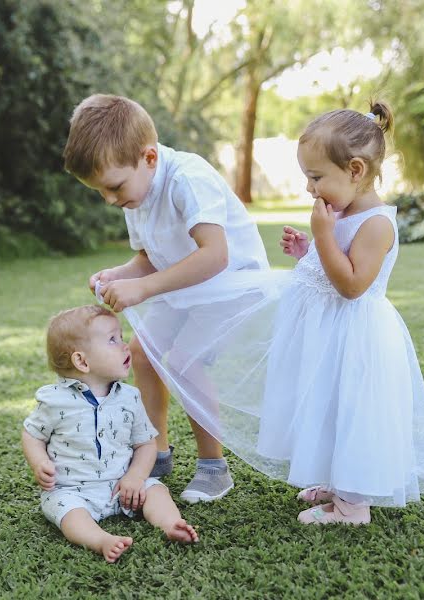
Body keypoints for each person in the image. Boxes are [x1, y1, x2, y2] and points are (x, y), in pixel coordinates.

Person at [123, 101, 424, 526]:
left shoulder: (377, 224)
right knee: (325, 408)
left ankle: (352, 507)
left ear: (355, 170)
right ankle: (336, 483)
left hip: (354, 338)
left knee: (349, 412)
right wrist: (309, 251)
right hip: (326, 334)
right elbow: (330, 270)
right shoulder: (343, 212)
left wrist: (323, 237)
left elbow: (351, 285)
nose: (310, 189)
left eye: (316, 177)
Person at [63, 94, 270, 503]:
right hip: (187, 286)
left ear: (150, 158)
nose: (109, 199)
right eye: (100, 191)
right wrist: (119, 275)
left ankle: (214, 467)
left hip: (230, 286)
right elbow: (150, 258)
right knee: (141, 352)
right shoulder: (135, 193)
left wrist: (141, 288)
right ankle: (155, 451)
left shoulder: (187, 179)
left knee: (183, 362)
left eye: (113, 187)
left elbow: (215, 255)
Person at [22, 305, 198, 563]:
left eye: (121, 337)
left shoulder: (130, 397)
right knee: (68, 512)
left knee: (156, 490)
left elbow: (146, 443)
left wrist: (136, 478)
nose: (125, 345)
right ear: (82, 361)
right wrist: (39, 463)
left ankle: (171, 524)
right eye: (113, 340)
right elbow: (32, 434)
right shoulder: (54, 401)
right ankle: (100, 539)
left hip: (124, 487)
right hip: (73, 490)